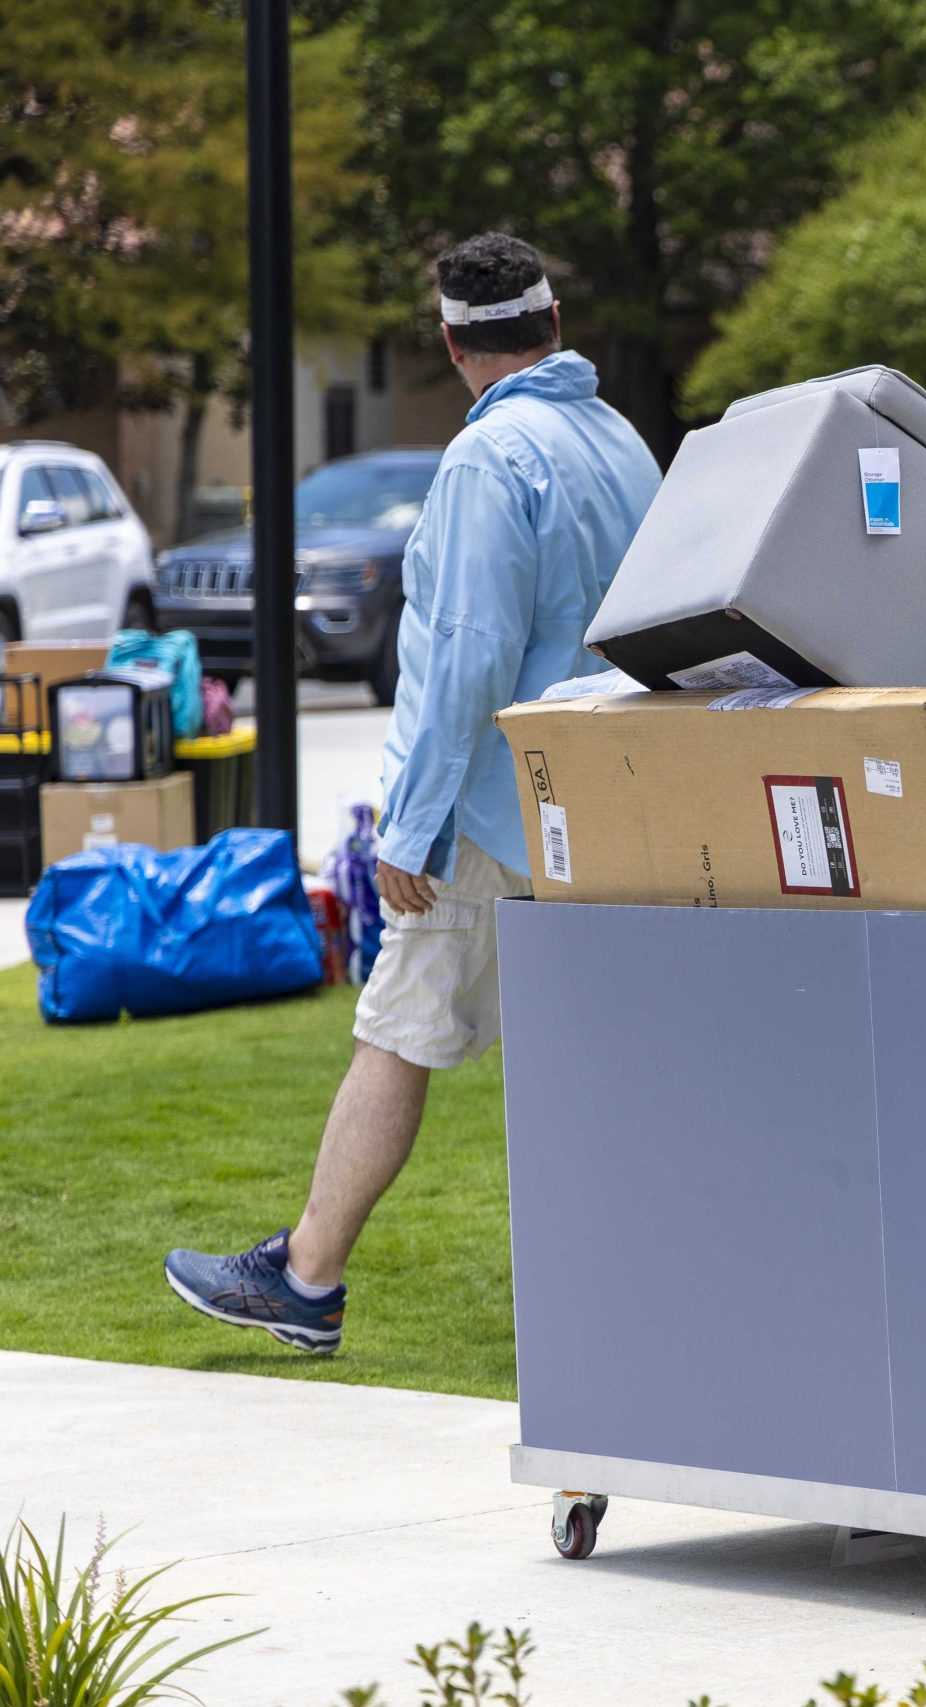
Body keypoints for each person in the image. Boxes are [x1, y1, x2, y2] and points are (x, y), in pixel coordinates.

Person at [163, 233, 662, 1354]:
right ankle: (634, 1286)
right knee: (598, 1057)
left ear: (450, 342)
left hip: (497, 809)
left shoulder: (490, 463)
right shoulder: (625, 444)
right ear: (557, 320)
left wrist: (413, 830)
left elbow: (468, 658)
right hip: (614, 796)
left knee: (397, 1030)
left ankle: (304, 1279)